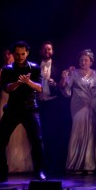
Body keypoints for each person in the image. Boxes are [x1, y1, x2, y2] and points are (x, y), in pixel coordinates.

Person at [0, 41, 46, 182]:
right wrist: (18, 82)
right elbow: (7, 88)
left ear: (27, 53)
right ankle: (2, 173)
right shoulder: (8, 69)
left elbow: (40, 88)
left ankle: (39, 171)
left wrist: (28, 82)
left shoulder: (34, 68)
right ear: (13, 54)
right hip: (13, 109)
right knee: (0, 141)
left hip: (30, 108)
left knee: (37, 140)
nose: (20, 57)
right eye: (17, 54)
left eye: (23, 54)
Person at [62, 49, 96, 175]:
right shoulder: (74, 73)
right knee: (77, 133)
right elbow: (65, 88)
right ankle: (75, 164)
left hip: (91, 106)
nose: (83, 62)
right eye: (81, 60)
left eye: (86, 60)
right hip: (77, 106)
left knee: (91, 133)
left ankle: (89, 164)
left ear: (91, 62)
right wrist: (64, 78)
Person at [36, 41, 69, 178]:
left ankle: (54, 166)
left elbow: (62, 86)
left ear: (53, 51)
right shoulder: (35, 66)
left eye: (49, 49)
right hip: (38, 104)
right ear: (41, 51)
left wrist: (55, 83)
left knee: (53, 135)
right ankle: (41, 167)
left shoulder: (58, 66)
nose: (47, 51)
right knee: (40, 136)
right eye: (44, 49)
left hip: (53, 104)